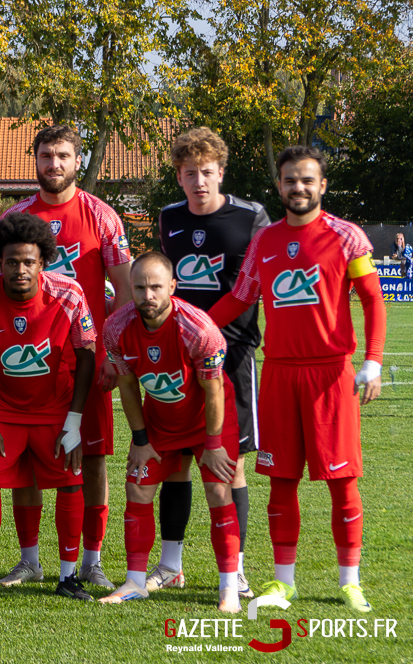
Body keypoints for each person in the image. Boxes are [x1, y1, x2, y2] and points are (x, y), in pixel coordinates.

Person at [209, 145, 386, 613]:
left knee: (342, 481)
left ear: (322, 185)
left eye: (307, 180)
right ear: (280, 186)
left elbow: (372, 298)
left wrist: (373, 361)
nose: (299, 188)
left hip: (331, 377)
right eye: (290, 181)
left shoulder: (347, 238)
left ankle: (351, 581)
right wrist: (195, 326)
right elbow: (238, 298)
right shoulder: (264, 242)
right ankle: (284, 583)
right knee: (281, 479)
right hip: (280, 376)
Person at [0, 125, 132, 590]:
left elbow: (127, 290)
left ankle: (91, 561)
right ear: (34, 159)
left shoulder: (102, 216)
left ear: (78, 161)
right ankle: (30, 559)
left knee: (91, 460)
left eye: (63, 156)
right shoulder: (14, 218)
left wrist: (111, 350)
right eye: (46, 155)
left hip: (85, 360)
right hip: (27, 361)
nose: (54, 164)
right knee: (28, 463)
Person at [154, 127, 270, 599]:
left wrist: (201, 327)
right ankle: (170, 564)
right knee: (174, 461)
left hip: (233, 353)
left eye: (207, 172)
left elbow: (250, 288)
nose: (199, 181)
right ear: (179, 178)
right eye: (189, 174)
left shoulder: (252, 217)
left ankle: (235, 567)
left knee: (230, 467)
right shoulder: (168, 217)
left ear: (221, 172)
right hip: (178, 356)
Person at [0, 212, 97, 601]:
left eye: (29, 262)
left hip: (55, 409)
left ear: (43, 262)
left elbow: (87, 355)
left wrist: (74, 420)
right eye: (12, 262)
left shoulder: (68, 294)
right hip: (1, 411)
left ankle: (68, 577)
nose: (20, 270)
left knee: (70, 482)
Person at [99, 252, 242, 612]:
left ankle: (229, 587)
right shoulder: (116, 327)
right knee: (137, 486)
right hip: (160, 421)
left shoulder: (199, 329)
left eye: (156, 287)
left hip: (207, 421)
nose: (148, 295)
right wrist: (141, 440)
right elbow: (128, 387)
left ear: (173, 287)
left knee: (218, 488)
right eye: (141, 287)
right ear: (130, 288)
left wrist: (212, 445)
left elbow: (213, 391)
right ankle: (135, 581)